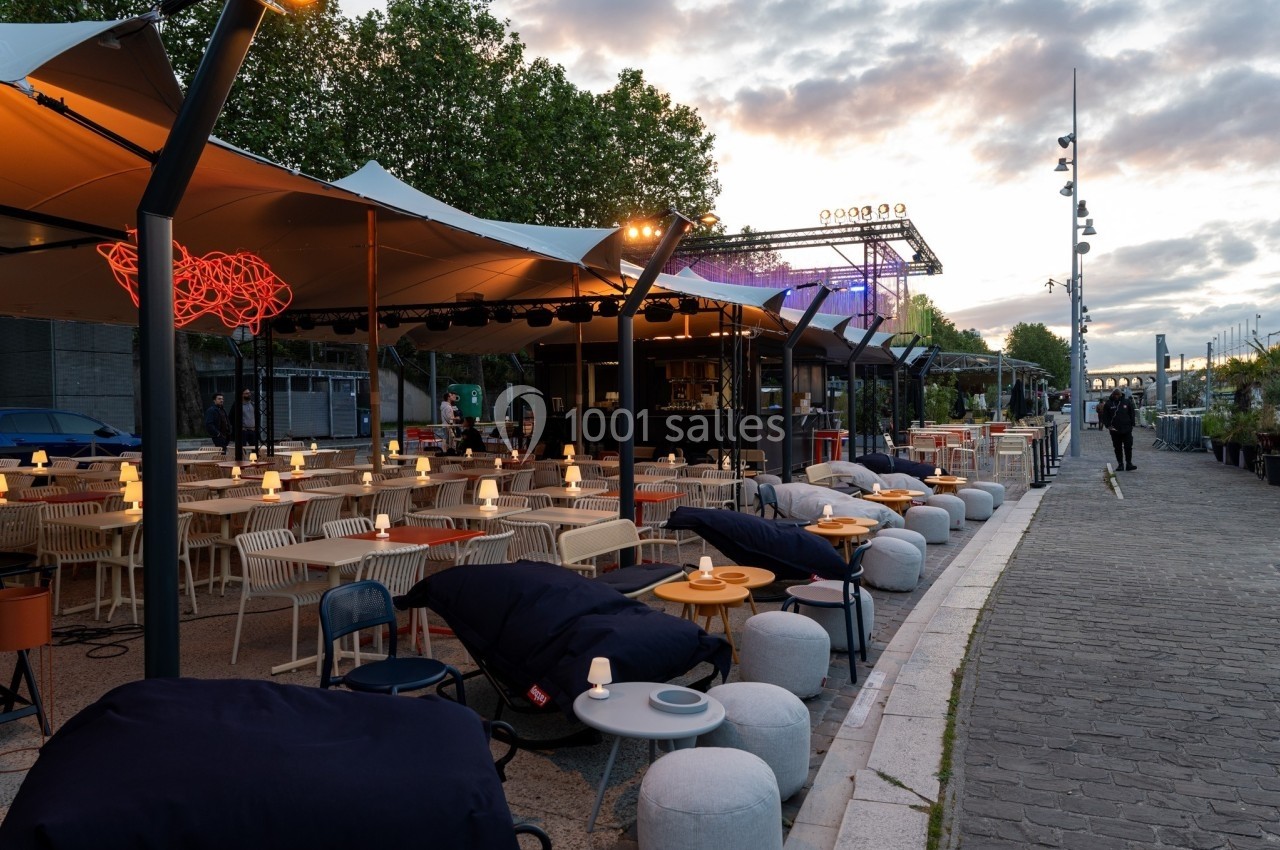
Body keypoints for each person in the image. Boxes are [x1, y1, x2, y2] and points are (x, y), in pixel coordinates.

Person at [1101, 388, 1137, 470]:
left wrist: (1132, 424)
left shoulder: (1127, 402)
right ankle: (1120, 464)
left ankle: (1129, 463)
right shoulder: (1109, 404)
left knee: (1128, 446)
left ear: (1121, 395)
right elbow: (1105, 416)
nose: (1116, 396)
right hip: (1115, 430)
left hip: (1127, 429)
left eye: (1118, 395)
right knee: (1117, 447)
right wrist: (1108, 426)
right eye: (1115, 395)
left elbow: (1132, 413)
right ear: (1113, 395)